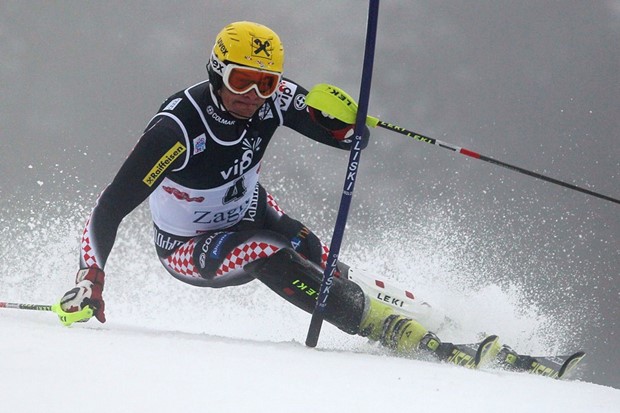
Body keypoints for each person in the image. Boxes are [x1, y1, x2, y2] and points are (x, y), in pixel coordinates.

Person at [58, 21, 444, 358]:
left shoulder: (272, 99)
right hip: (189, 245)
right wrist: (89, 273)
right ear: (216, 72)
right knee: (267, 251)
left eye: (266, 83)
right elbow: (110, 206)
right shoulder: (175, 131)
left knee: (320, 259)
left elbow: (350, 140)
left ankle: (427, 316)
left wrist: (346, 124)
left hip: (253, 209)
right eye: (240, 81)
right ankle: (383, 328)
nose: (253, 96)